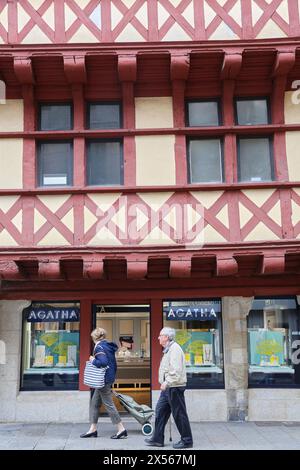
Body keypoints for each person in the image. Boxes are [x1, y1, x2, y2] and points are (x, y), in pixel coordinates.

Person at [145, 327, 193, 449]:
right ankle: (157, 438)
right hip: (168, 388)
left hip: (174, 387)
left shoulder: (175, 349)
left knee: (179, 414)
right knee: (160, 411)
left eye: (160, 335)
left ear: (166, 337)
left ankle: (187, 440)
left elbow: (176, 370)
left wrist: (167, 382)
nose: (158, 337)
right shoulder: (168, 349)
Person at [80, 327, 127, 439]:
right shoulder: (107, 346)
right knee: (95, 403)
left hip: (103, 380)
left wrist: (92, 360)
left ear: (94, 337)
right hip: (106, 379)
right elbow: (113, 364)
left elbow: (103, 362)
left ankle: (121, 429)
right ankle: (93, 429)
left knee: (109, 404)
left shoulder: (99, 347)